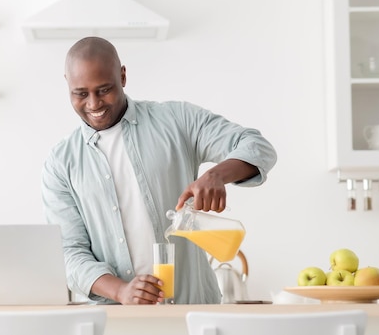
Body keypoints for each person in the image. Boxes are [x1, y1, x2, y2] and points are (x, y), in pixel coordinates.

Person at [41, 37, 277, 305]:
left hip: (192, 310)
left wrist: (217, 174)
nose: (94, 104)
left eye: (104, 89)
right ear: (67, 85)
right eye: (81, 93)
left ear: (122, 76)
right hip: (116, 320)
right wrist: (121, 291)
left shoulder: (177, 120)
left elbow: (257, 146)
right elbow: (70, 253)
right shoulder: (60, 163)